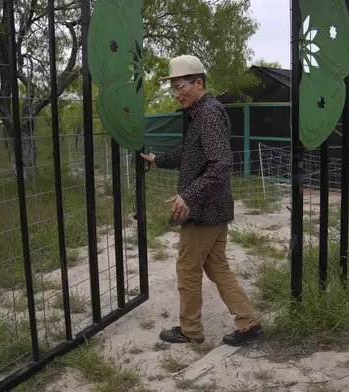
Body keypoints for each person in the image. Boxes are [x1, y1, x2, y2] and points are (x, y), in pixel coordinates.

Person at [140, 54, 263, 347]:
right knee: (217, 266)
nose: (176, 93)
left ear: (198, 83)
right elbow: (189, 152)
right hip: (214, 207)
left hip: (205, 209)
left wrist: (188, 195)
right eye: (173, 88)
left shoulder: (208, 114)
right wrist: (158, 160)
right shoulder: (202, 112)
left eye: (180, 86)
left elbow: (220, 163)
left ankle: (191, 331)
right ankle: (248, 324)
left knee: (187, 268)